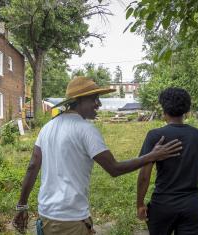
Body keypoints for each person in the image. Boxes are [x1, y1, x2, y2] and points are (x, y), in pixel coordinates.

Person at [13, 76, 183, 235]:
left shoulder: (47, 127)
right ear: (78, 101)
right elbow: (114, 169)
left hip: (46, 217)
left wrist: (21, 206)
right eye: (94, 98)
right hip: (70, 220)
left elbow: (33, 166)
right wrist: (152, 155)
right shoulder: (86, 129)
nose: (99, 104)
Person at [136, 87, 198, 235]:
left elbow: (144, 176)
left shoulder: (155, 136)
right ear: (187, 109)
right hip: (191, 204)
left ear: (163, 108)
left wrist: (140, 204)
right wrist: (187, 182)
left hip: (162, 204)